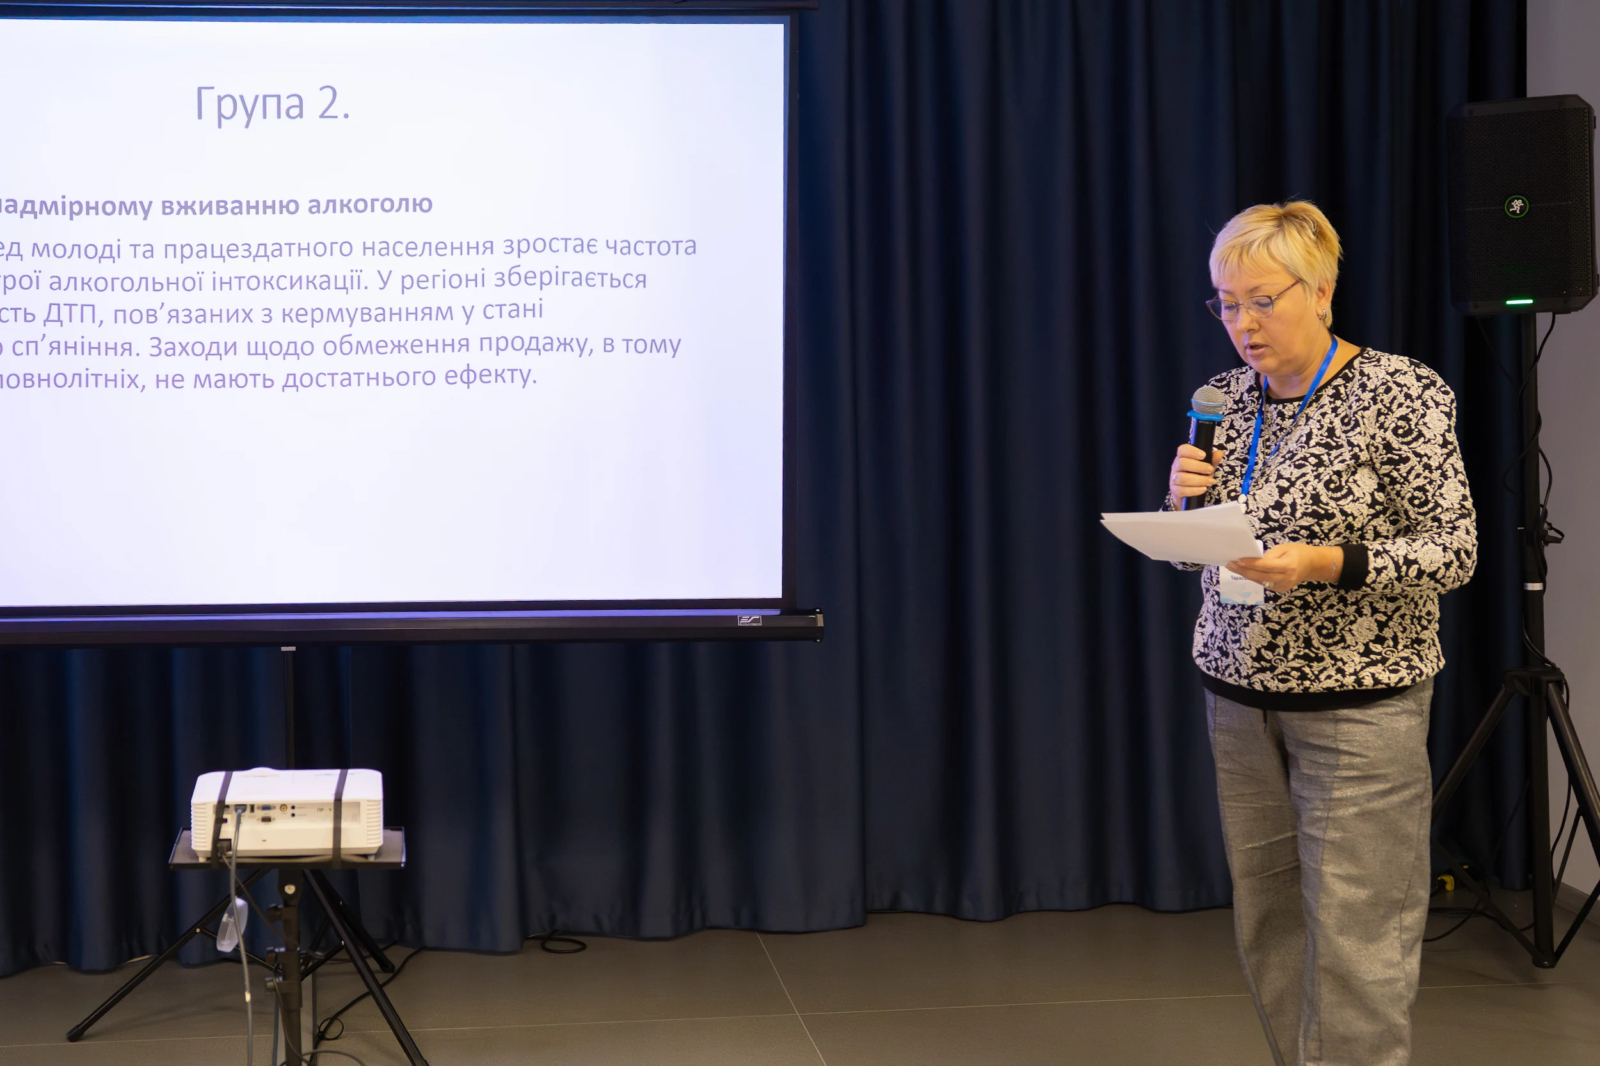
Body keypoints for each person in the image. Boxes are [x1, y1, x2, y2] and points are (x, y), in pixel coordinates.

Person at [1165, 200, 1477, 1066]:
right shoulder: (1224, 400)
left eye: (1263, 300)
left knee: (1357, 936)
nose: (1244, 324)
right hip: (1237, 699)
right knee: (1269, 922)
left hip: (1359, 710)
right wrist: (1179, 504)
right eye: (1228, 304)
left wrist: (1323, 563)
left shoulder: (1399, 392)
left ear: (1322, 292)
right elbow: (1193, 553)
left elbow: (1454, 550)